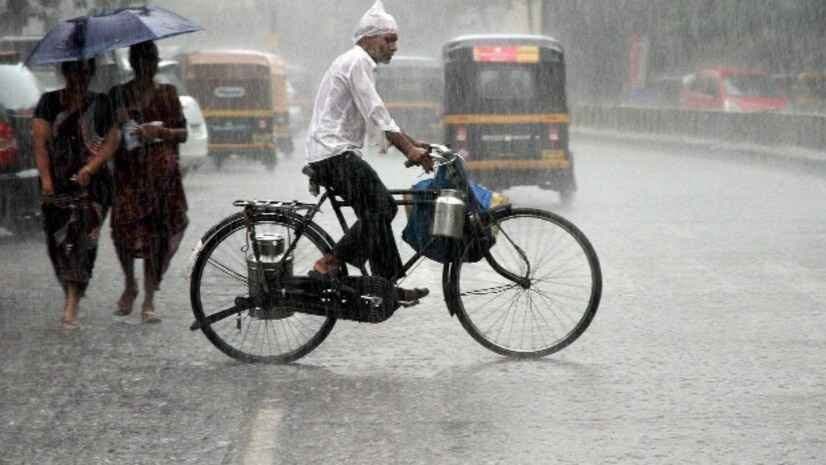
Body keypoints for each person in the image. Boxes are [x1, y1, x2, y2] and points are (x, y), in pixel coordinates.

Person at [305, 0, 432, 303]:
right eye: (389, 39)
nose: (394, 47)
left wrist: (414, 144)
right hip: (333, 153)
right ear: (369, 38)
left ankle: (386, 286)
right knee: (384, 208)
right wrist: (407, 149)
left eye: (395, 40)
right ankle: (329, 263)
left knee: (374, 214)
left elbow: (378, 115)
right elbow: (376, 112)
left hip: (333, 152)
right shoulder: (357, 61)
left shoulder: (357, 62)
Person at [32, 58, 120, 330]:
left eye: (84, 73)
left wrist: (91, 168)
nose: (78, 78)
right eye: (73, 72)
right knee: (57, 243)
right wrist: (47, 180)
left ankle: (72, 301)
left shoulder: (102, 103)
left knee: (84, 241)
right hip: (57, 187)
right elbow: (40, 143)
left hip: (93, 188)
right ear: (65, 73)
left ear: (90, 74)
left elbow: (112, 139)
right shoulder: (49, 102)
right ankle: (71, 287)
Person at [108, 41, 189, 323]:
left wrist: (161, 131)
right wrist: (119, 124)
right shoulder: (118, 94)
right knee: (122, 229)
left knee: (157, 235)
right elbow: (104, 136)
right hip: (128, 174)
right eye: (142, 60)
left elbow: (183, 134)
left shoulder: (168, 93)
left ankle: (149, 299)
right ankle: (130, 283)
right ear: (133, 62)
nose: (148, 65)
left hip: (161, 177)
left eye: (152, 59)